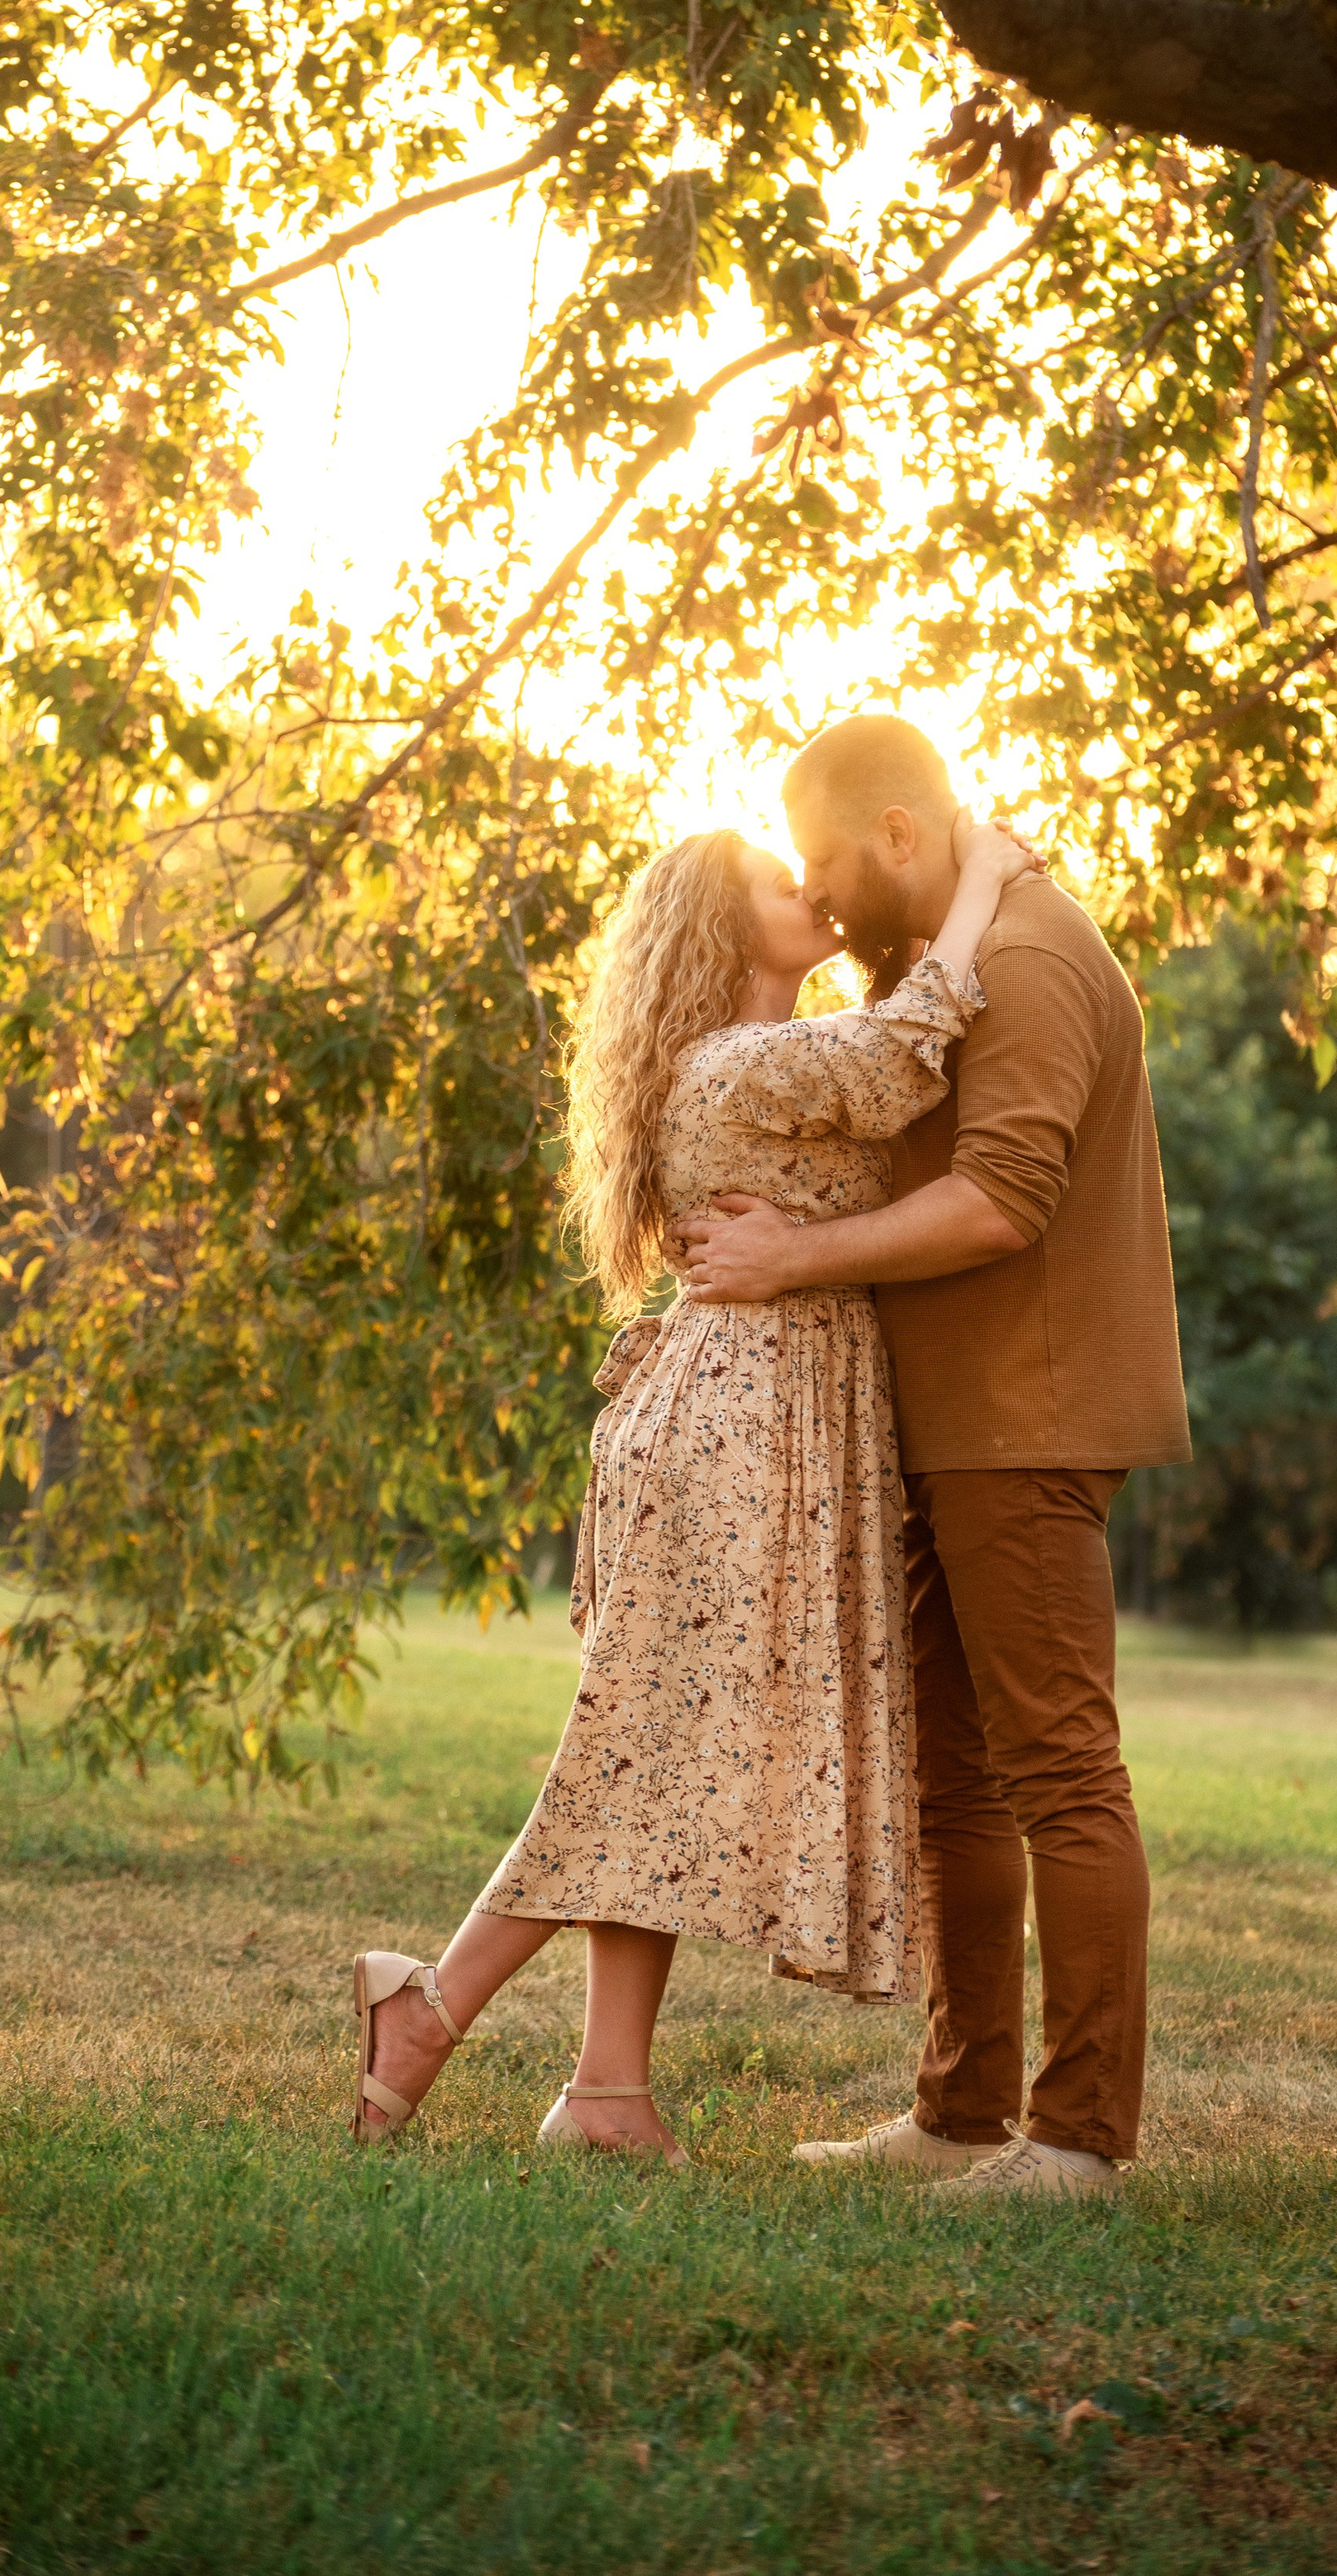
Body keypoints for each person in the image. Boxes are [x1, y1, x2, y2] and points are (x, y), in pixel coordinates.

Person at [350, 813, 1039, 2160]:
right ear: (723, 930)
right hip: (734, 1429)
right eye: (781, 882)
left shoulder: (748, 1061)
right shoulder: (737, 1067)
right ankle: (429, 2004)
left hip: (748, 1416)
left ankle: (607, 2090)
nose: (813, 887)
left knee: (653, 1754)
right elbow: (908, 1054)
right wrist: (991, 887)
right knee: (638, 1759)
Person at [678, 716, 1189, 2200]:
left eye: (831, 868)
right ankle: (962, 2114)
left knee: (1060, 1772)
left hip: (1024, 1422)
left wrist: (794, 1260)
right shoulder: (938, 957)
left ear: (901, 832)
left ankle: (1081, 2140)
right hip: (950, 1425)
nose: (822, 904)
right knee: (955, 1787)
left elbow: (1001, 1203)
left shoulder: (1026, 963)